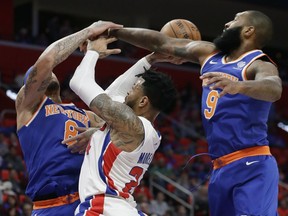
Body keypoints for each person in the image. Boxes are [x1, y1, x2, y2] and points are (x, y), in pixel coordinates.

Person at [109, 10, 283, 215]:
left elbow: (274, 88)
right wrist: (114, 31)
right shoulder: (209, 53)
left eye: (235, 20)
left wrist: (240, 87)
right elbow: (161, 42)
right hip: (220, 167)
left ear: (249, 30)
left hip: (252, 164)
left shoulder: (259, 64)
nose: (227, 23)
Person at [15, 21, 123, 216]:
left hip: (87, 201)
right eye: (38, 74)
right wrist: (88, 32)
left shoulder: (86, 115)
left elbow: (126, 133)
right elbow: (47, 60)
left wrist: (97, 134)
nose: (45, 73)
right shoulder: (30, 107)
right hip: (50, 204)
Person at [67, 37, 178, 215]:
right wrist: (151, 59)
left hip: (104, 209)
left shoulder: (129, 123)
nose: (129, 89)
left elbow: (79, 82)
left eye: (135, 87)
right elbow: (114, 93)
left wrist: (93, 51)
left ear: (143, 101)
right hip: (123, 208)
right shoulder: (146, 132)